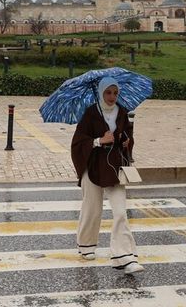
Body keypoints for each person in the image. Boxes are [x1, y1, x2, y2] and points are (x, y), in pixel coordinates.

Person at [70, 76, 144, 274]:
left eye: (115, 92)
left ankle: (125, 257)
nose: (112, 97)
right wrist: (98, 140)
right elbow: (78, 143)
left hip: (114, 168)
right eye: (108, 92)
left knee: (120, 212)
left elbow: (127, 135)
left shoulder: (122, 112)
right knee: (91, 209)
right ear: (102, 92)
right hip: (93, 166)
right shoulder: (91, 113)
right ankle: (86, 245)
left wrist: (127, 142)